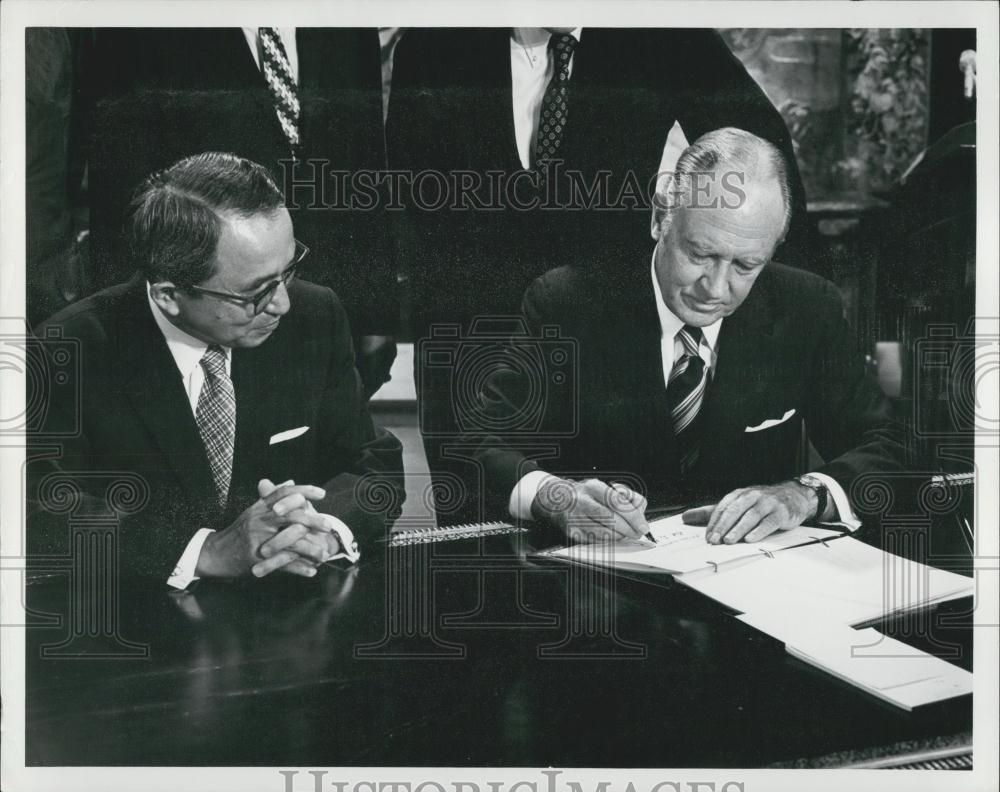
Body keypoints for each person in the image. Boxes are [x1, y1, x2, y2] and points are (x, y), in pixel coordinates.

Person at [387, 28, 810, 522]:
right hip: (469, 338)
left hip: (601, 339)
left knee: (613, 537)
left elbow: (766, 163)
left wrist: (758, 306)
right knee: (472, 536)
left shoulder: (660, 33)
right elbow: (405, 207)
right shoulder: (432, 44)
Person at [470, 128, 908, 545]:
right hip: (597, 585)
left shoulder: (807, 307)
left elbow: (890, 445)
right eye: (700, 254)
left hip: (751, 583)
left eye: (745, 266)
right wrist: (556, 498)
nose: (716, 289)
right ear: (662, 218)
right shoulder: (566, 303)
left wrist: (804, 493)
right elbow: (481, 446)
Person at [28, 152, 405, 587]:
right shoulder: (66, 350)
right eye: (256, 292)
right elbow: (36, 510)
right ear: (170, 294)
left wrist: (321, 528)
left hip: (289, 621)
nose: (281, 303)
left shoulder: (315, 316)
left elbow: (372, 463)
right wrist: (204, 551)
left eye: (288, 272)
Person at [81, 27, 397, 397]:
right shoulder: (139, 28)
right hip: (209, 316)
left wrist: (377, 313)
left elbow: (368, 172)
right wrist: (131, 335)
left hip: (332, 310)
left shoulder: (344, 21)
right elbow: (122, 198)